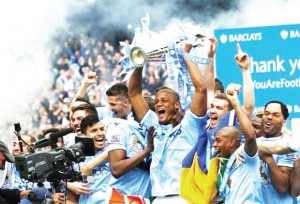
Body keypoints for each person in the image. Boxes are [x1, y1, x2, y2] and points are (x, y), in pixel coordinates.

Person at [128, 42, 208, 203]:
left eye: (164, 101)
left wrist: (185, 55)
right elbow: (134, 93)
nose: (158, 104)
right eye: (156, 101)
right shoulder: (153, 123)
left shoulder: (189, 125)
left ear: (176, 105)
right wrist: (140, 63)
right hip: (158, 198)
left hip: (184, 197)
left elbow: (201, 89)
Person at [211, 86, 263, 203]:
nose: (214, 145)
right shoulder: (222, 165)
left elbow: (250, 137)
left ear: (232, 142)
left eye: (218, 140)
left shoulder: (247, 157)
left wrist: (235, 103)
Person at [258, 100, 297, 203]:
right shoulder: (253, 144)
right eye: (266, 113)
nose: (269, 117)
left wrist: (268, 158)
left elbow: (283, 187)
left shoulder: (287, 145)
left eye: (275, 115)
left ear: (284, 121)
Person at [71, 115, 111, 204]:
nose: (100, 133)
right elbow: (85, 171)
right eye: (94, 131)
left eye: (102, 129)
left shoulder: (113, 146)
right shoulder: (79, 156)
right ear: (84, 136)